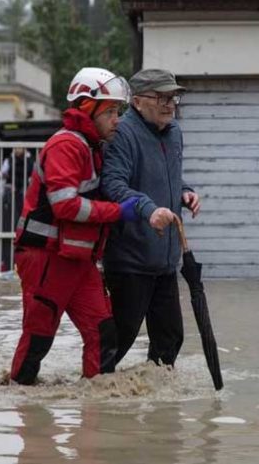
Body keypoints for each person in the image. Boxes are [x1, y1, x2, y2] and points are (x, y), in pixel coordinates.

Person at [9, 67, 140, 385]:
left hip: (77, 260)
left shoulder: (90, 146)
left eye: (118, 112)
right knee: (39, 338)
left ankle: (96, 412)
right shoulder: (67, 145)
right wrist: (117, 212)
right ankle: (23, 413)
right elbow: (65, 205)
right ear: (87, 108)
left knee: (104, 333)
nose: (117, 120)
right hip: (46, 257)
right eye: (111, 112)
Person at [101, 68, 200, 367]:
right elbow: (113, 186)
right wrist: (148, 208)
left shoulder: (174, 133)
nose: (169, 104)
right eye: (161, 97)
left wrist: (185, 191)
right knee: (119, 339)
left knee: (170, 339)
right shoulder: (123, 134)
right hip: (130, 260)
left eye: (174, 97)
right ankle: (93, 400)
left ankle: (158, 408)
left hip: (165, 260)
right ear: (138, 101)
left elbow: (166, 178)